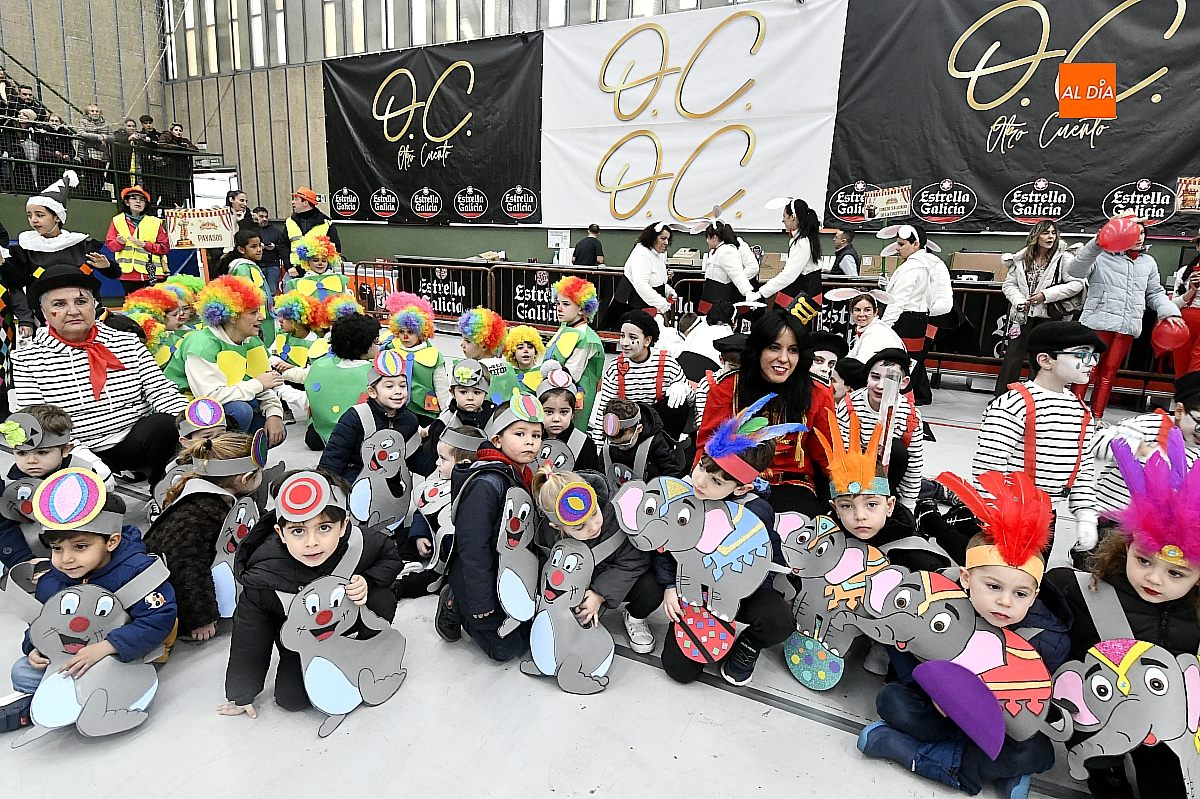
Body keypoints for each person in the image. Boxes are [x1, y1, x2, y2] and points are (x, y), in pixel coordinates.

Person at [860, 472, 1067, 799]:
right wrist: (933, 691)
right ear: (967, 578)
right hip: (938, 710)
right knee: (892, 701)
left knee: (1038, 751)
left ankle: (922, 757)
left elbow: (1036, 700)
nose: (1005, 601)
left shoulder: (1046, 636)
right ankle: (989, 768)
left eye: (1020, 594)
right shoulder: (938, 599)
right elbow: (909, 648)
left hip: (999, 725)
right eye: (994, 587)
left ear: (1036, 592)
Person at [1047, 434, 1200, 799]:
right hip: (1097, 714)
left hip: (1163, 719)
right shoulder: (1083, 591)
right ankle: (1106, 768)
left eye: (1176, 573)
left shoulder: (1194, 614)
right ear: (1127, 545)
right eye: (1144, 560)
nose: (1154, 578)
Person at [219, 470, 402, 720]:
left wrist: (368, 581)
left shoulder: (359, 542)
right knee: (291, 699)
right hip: (306, 644)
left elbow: (390, 556)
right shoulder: (264, 575)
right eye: (298, 531)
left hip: (349, 628)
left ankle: (370, 646)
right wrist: (242, 693)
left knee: (380, 597)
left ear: (343, 526)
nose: (312, 542)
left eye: (324, 528)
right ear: (280, 532)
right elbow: (250, 636)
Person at [658, 397, 801, 684]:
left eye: (717, 482)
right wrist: (670, 587)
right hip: (692, 591)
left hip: (735, 592)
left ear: (742, 487)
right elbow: (664, 547)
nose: (701, 481)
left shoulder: (757, 511)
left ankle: (747, 646)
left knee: (779, 620)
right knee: (680, 671)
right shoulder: (683, 495)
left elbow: (768, 559)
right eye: (702, 467)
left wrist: (740, 592)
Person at [8, 482, 176, 721]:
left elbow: (159, 620)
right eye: (57, 549)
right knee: (22, 672)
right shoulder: (53, 581)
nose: (66, 559)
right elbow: (43, 622)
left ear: (111, 542)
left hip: (124, 651)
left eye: (80, 547)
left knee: (102, 672)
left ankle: (64, 703)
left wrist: (106, 647)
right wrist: (37, 648)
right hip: (74, 654)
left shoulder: (136, 570)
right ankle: (66, 701)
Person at [12, 265, 188, 489]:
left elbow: (161, 390)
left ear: (94, 304)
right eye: (59, 304)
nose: (73, 311)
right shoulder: (27, 358)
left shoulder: (126, 341)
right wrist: (87, 460)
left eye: (81, 301)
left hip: (131, 441)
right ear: (43, 311)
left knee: (165, 425)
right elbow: (36, 420)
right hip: (72, 451)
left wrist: (193, 422)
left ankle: (162, 491)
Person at [973, 321, 1103, 556]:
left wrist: (1086, 514)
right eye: (1082, 354)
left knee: (1033, 579)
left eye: (1094, 356)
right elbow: (989, 465)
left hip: (1047, 516)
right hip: (1008, 514)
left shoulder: (1080, 409)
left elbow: (1083, 467)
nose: (1091, 362)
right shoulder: (1014, 403)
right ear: (1045, 360)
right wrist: (995, 513)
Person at [436, 392, 545, 660]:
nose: (530, 441)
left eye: (536, 435)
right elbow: (473, 547)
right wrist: (480, 601)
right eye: (519, 434)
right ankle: (454, 603)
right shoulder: (487, 483)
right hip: (478, 576)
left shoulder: (526, 473)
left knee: (530, 638)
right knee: (505, 650)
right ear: (497, 439)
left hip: (510, 570)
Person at [695, 309, 835, 516]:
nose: (784, 359)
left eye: (793, 350)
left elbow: (828, 454)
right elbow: (706, 445)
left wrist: (850, 493)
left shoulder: (818, 392)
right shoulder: (728, 386)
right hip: (731, 482)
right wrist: (698, 485)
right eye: (774, 347)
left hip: (791, 484)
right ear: (758, 348)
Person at [144, 432, 264, 643]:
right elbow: (186, 569)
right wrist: (200, 619)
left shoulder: (233, 492)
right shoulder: (193, 514)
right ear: (244, 479)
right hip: (173, 590)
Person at [1068, 218, 1185, 418]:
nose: (1139, 237)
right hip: (1097, 323)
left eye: (1142, 233)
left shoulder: (1148, 262)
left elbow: (1154, 293)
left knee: (1109, 374)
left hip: (1127, 327)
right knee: (1086, 371)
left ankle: (1096, 418)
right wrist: (1097, 243)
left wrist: (1170, 311)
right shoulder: (1101, 256)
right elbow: (1074, 270)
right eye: (1134, 232)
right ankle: (1071, 417)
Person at [532, 468, 655, 654]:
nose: (594, 526)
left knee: (652, 586)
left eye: (595, 513)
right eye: (580, 526)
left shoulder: (615, 516)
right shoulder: (548, 537)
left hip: (613, 581)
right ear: (556, 526)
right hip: (577, 588)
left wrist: (600, 594)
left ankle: (634, 617)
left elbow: (634, 560)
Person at [163, 274, 286, 442]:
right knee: (240, 411)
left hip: (227, 404)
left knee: (272, 430)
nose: (262, 317)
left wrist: (275, 414)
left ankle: (247, 462)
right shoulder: (202, 344)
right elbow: (210, 398)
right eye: (253, 312)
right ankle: (217, 459)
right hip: (187, 414)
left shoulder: (252, 340)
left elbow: (266, 384)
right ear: (233, 316)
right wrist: (257, 384)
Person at [0, 405, 115, 569]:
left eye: (42, 452)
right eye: (22, 453)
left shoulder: (84, 474)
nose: (31, 461)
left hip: (84, 553)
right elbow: (3, 528)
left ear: (66, 450)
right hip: (31, 554)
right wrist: (21, 559)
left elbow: (105, 518)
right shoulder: (8, 484)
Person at [1091, 370, 1200, 514]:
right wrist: (1140, 449)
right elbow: (1098, 442)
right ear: (1180, 411)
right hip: (1111, 517)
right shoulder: (1151, 425)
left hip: (1157, 530)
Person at [995, 222, 1085, 394]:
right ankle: (1001, 397)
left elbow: (1077, 284)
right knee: (1012, 356)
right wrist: (1019, 300)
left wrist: (1046, 295)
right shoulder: (1021, 258)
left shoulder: (1064, 257)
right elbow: (1009, 285)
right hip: (1023, 314)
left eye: (1053, 233)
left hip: (1050, 315)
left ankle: (1037, 398)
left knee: (1043, 359)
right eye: (1045, 233)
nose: (1050, 237)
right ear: (1036, 237)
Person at [397, 425, 486, 598]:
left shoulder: (475, 491)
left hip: (450, 555)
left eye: (443, 459)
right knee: (405, 534)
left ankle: (398, 588)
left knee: (423, 582)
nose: (437, 463)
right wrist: (420, 535)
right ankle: (409, 561)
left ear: (463, 465)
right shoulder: (439, 479)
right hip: (432, 537)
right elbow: (423, 509)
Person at [837, 349, 925, 512]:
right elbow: (841, 456)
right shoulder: (850, 407)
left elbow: (914, 464)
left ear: (904, 383)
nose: (881, 385)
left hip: (891, 474)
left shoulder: (910, 416)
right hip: (855, 471)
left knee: (898, 450)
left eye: (891, 379)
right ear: (867, 376)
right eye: (875, 377)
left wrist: (908, 506)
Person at [589, 310, 690, 445]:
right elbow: (604, 410)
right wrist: (598, 448)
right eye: (622, 336)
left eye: (632, 337)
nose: (624, 343)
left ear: (647, 340)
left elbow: (691, 401)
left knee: (679, 406)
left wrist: (682, 388)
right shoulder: (614, 368)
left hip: (661, 428)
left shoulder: (667, 363)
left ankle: (669, 449)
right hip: (629, 428)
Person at [319, 350, 420, 486]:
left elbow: (414, 458)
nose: (398, 391)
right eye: (389, 386)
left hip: (388, 478)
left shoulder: (410, 420)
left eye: (403, 385)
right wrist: (323, 484)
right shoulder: (356, 416)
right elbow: (335, 455)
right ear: (372, 392)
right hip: (354, 475)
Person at [878, 224, 953, 406]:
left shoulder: (913, 267)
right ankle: (905, 401)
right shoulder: (923, 265)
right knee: (909, 363)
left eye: (902, 244)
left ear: (916, 244)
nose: (897, 248)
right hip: (917, 319)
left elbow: (899, 301)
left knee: (902, 363)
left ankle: (901, 401)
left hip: (908, 319)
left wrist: (883, 326)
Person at [305, 312, 380, 450]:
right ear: (363, 345)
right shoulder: (375, 371)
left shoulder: (321, 365)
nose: (379, 344)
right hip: (358, 433)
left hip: (320, 432)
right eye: (375, 341)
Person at [542, 276, 605, 429]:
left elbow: (572, 374)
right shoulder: (566, 327)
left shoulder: (586, 338)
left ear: (582, 309)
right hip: (557, 392)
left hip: (573, 396)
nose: (559, 308)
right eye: (558, 303)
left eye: (566, 304)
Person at [384, 291, 449, 424]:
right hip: (398, 410)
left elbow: (441, 386)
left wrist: (445, 416)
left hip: (426, 412)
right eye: (401, 332)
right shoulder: (391, 352)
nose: (405, 336)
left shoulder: (433, 355)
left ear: (421, 334)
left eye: (410, 332)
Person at [423, 358, 497, 472]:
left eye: (477, 392)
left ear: (485, 394)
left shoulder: (494, 418)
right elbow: (433, 459)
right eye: (463, 392)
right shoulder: (444, 422)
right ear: (452, 392)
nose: (470, 398)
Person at [751, 197, 823, 310]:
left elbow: (789, 275)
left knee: (777, 324)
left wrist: (761, 293)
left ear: (792, 217)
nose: (783, 220)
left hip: (802, 297)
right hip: (802, 293)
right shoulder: (805, 239)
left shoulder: (802, 242)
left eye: (784, 216)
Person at [599, 398, 685, 489]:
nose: (620, 448)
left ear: (639, 429)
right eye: (614, 444)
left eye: (625, 442)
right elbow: (600, 470)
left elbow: (671, 471)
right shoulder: (609, 441)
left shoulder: (655, 442)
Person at [267, 290, 328, 419]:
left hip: (302, 380)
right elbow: (268, 354)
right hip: (282, 374)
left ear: (299, 320)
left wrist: (292, 368)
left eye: (285, 317)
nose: (280, 321)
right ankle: (284, 410)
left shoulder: (314, 342)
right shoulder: (282, 335)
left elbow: (315, 371)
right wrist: (277, 362)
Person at [609, 222, 677, 327]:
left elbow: (656, 280)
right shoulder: (642, 254)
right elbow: (641, 284)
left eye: (667, 239)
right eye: (663, 238)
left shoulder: (655, 253)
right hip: (634, 308)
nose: (666, 242)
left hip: (646, 307)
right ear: (653, 237)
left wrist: (668, 291)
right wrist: (662, 303)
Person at [105, 185, 170, 291]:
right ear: (127, 202)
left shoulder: (155, 222)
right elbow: (111, 245)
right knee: (134, 304)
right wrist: (120, 243)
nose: (138, 202)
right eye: (134, 198)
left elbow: (165, 247)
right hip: (128, 274)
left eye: (142, 200)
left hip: (152, 273)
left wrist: (145, 245)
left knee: (156, 304)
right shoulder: (117, 220)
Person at [538, 370, 598, 472]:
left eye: (563, 412)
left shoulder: (584, 445)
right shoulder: (532, 439)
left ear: (572, 413)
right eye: (549, 412)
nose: (556, 419)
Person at [828, 289, 906, 363]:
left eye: (867, 310)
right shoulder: (866, 329)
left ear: (875, 312)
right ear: (851, 312)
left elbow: (860, 365)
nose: (861, 314)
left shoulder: (874, 332)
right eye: (857, 310)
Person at [457, 306, 515, 404]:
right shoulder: (508, 369)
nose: (462, 345)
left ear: (484, 346)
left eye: (467, 341)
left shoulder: (473, 371)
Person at [698, 219, 755, 312]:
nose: (707, 241)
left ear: (714, 237)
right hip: (710, 293)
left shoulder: (727, 251)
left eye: (708, 237)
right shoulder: (716, 251)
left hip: (719, 296)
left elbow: (737, 274)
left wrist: (748, 292)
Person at [285, 186, 340, 270]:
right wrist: (289, 267)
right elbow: (283, 246)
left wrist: (323, 268)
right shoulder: (289, 222)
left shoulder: (326, 223)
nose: (293, 202)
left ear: (305, 203)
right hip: (294, 271)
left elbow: (335, 249)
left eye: (296, 199)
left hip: (318, 272)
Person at [284, 234, 350, 299]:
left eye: (324, 261)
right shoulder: (298, 283)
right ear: (307, 262)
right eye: (315, 260)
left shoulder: (339, 280)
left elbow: (348, 299)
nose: (320, 264)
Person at [74, 104, 112, 199]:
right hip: (86, 153)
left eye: (97, 111)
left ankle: (98, 194)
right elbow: (81, 133)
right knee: (89, 175)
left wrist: (104, 137)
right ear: (88, 113)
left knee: (100, 175)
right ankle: (90, 195)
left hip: (102, 154)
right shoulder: (83, 122)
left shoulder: (106, 124)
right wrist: (98, 137)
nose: (95, 113)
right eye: (92, 111)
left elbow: (112, 137)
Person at [503, 325, 546, 394]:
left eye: (530, 347)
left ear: (535, 352)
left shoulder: (543, 373)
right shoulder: (508, 374)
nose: (526, 350)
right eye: (520, 348)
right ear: (513, 354)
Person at [253, 206, 286, 297]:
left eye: (266, 217)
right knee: (257, 293)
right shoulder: (250, 231)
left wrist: (274, 247)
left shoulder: (275, 231)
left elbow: (284, 248)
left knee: (272, 292)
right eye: (261, 216)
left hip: (272, 265)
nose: (264, 219)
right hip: (255, 265)